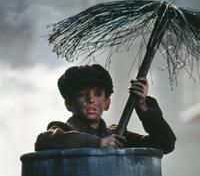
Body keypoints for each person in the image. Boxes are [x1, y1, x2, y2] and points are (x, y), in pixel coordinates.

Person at [35, 64, 176, 153]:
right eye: (81, 95)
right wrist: (97, 143)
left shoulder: (116, 136)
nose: (91, 100)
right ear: (69, 104)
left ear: (107, 102)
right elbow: (44, 141)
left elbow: (164, 143)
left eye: (98, 94)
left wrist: (142, 105)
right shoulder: (62, 130)